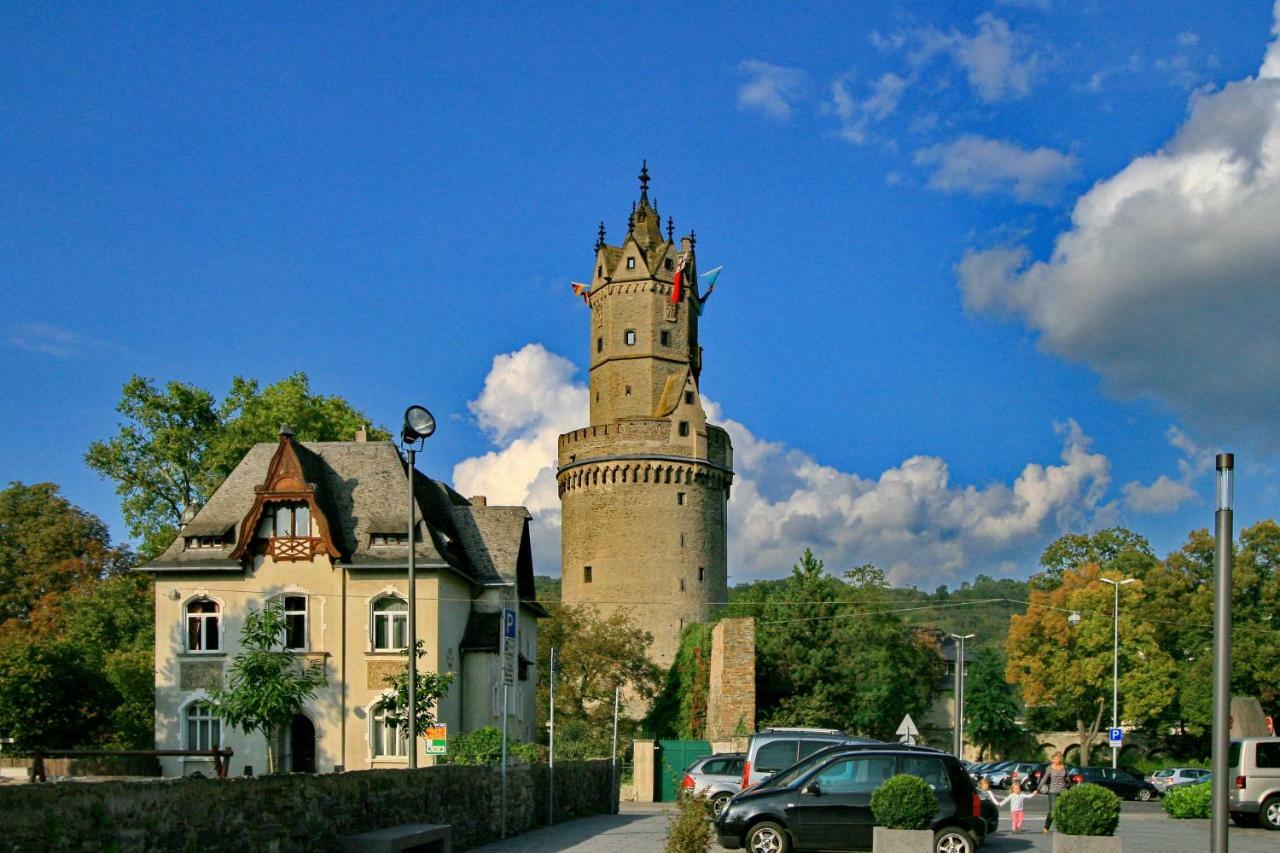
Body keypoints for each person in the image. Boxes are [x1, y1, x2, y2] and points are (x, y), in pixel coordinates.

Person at [1038, 752, 1073, 833]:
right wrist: (1038, 788)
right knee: (1053, 811)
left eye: (1055, 759)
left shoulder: (1064, 767)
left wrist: (1070, 787)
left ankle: (1062, 828)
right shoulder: (1049, 768)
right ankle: (1046, 827)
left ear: (1060, 759)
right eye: (1053, 759)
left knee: (1063, 810)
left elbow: (1067, 778)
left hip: (1063, 791)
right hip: (1053, 791)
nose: (1053, 760)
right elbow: (1044, 778)